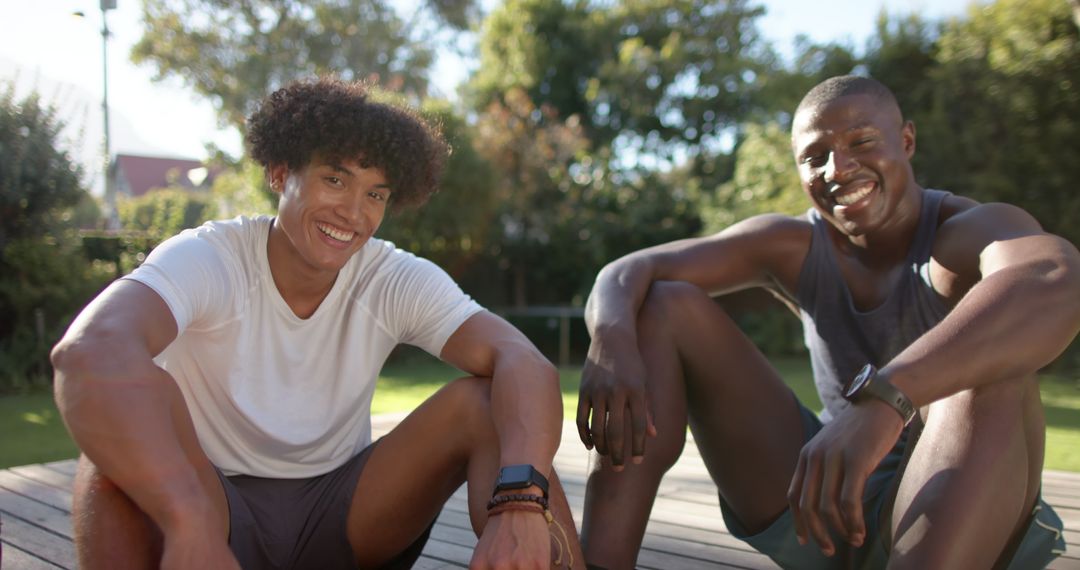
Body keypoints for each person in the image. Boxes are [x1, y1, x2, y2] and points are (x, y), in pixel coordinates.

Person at [52, 76, 584, 569]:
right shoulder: (210, 257)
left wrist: (520, 500)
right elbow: (90, 351)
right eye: (336, 179)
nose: (354, 213)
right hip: (214, 509)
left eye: (375, 194)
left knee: (486, 404)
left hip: (346, 517)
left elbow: (522, 360)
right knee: (110, 453)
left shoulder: (391, 275)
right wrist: (187, 519)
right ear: (281, 174)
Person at [575, 75, 1078, 569]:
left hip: (962, 524)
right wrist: (611, 340)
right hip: (826, 508)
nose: (838, 169)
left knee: (987, 368)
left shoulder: (964, 233)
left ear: (906, 141)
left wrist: (886, 398)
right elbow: (631, 270)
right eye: (815, 157)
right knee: (660, 304)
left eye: (862, 142)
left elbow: (1056, 274)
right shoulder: (794, 245)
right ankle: (599, 563)